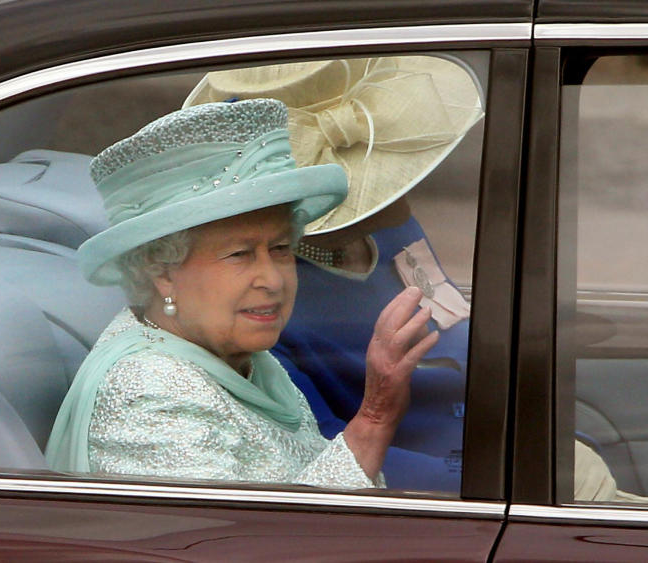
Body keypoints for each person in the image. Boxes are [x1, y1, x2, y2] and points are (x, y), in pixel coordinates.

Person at [46, 98, 439, 489]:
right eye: (240, 255)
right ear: (161, 271)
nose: (272, 279)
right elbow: (248, 544)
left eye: (282, 249)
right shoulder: (151, 394)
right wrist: (373, 420)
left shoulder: (240, 357)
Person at [184, 56, 483, 492]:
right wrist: (492, 473)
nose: (406, 183)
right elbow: (323, 457)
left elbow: (450, 317)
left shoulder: (393, 229)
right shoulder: (266, 304)